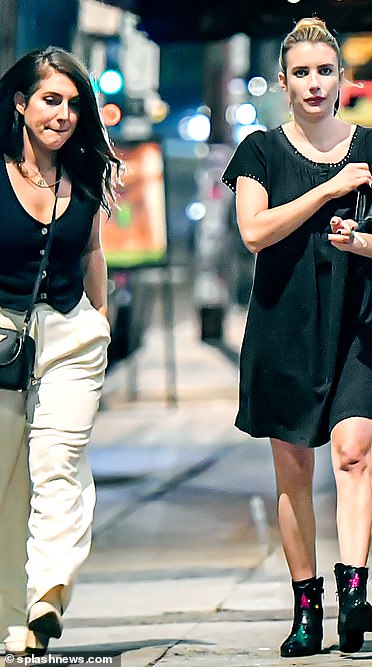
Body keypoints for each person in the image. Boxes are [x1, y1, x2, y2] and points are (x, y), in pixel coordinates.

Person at [222, 17, 372, 657]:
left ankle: (355, 598)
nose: (313, 83)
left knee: (354, 451)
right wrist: (330, 189)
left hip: (356, 322)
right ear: (283, 82)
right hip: (284, 326)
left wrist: (362, 240)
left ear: (342, 79)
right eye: (301, 72)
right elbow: (255, 231)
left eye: (324, 71)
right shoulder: (260, 151)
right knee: (294, 469)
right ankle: (308, 609)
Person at [0, 46, 120, 656]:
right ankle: (12, 620)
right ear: (21, 104)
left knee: (58, 467)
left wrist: (99, 319)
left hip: (72, 337)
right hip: (1, 337)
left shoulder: (86, 172)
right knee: (4, 481)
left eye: (74, 104)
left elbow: (92, 251)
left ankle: (47, 595)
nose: (64, 114)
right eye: (51, 100)